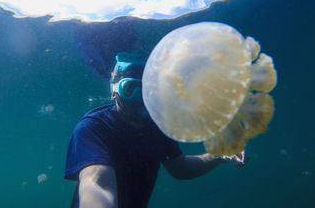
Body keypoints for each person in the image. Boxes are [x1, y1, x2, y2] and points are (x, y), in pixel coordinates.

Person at [64, 52, 247, 208]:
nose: (138, 99)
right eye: (130, 89)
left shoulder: (157, 126)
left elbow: (180, 167)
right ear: (114, 92)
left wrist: (216, 155)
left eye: (146, 90)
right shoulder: (94, 127)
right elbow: (96, 180)